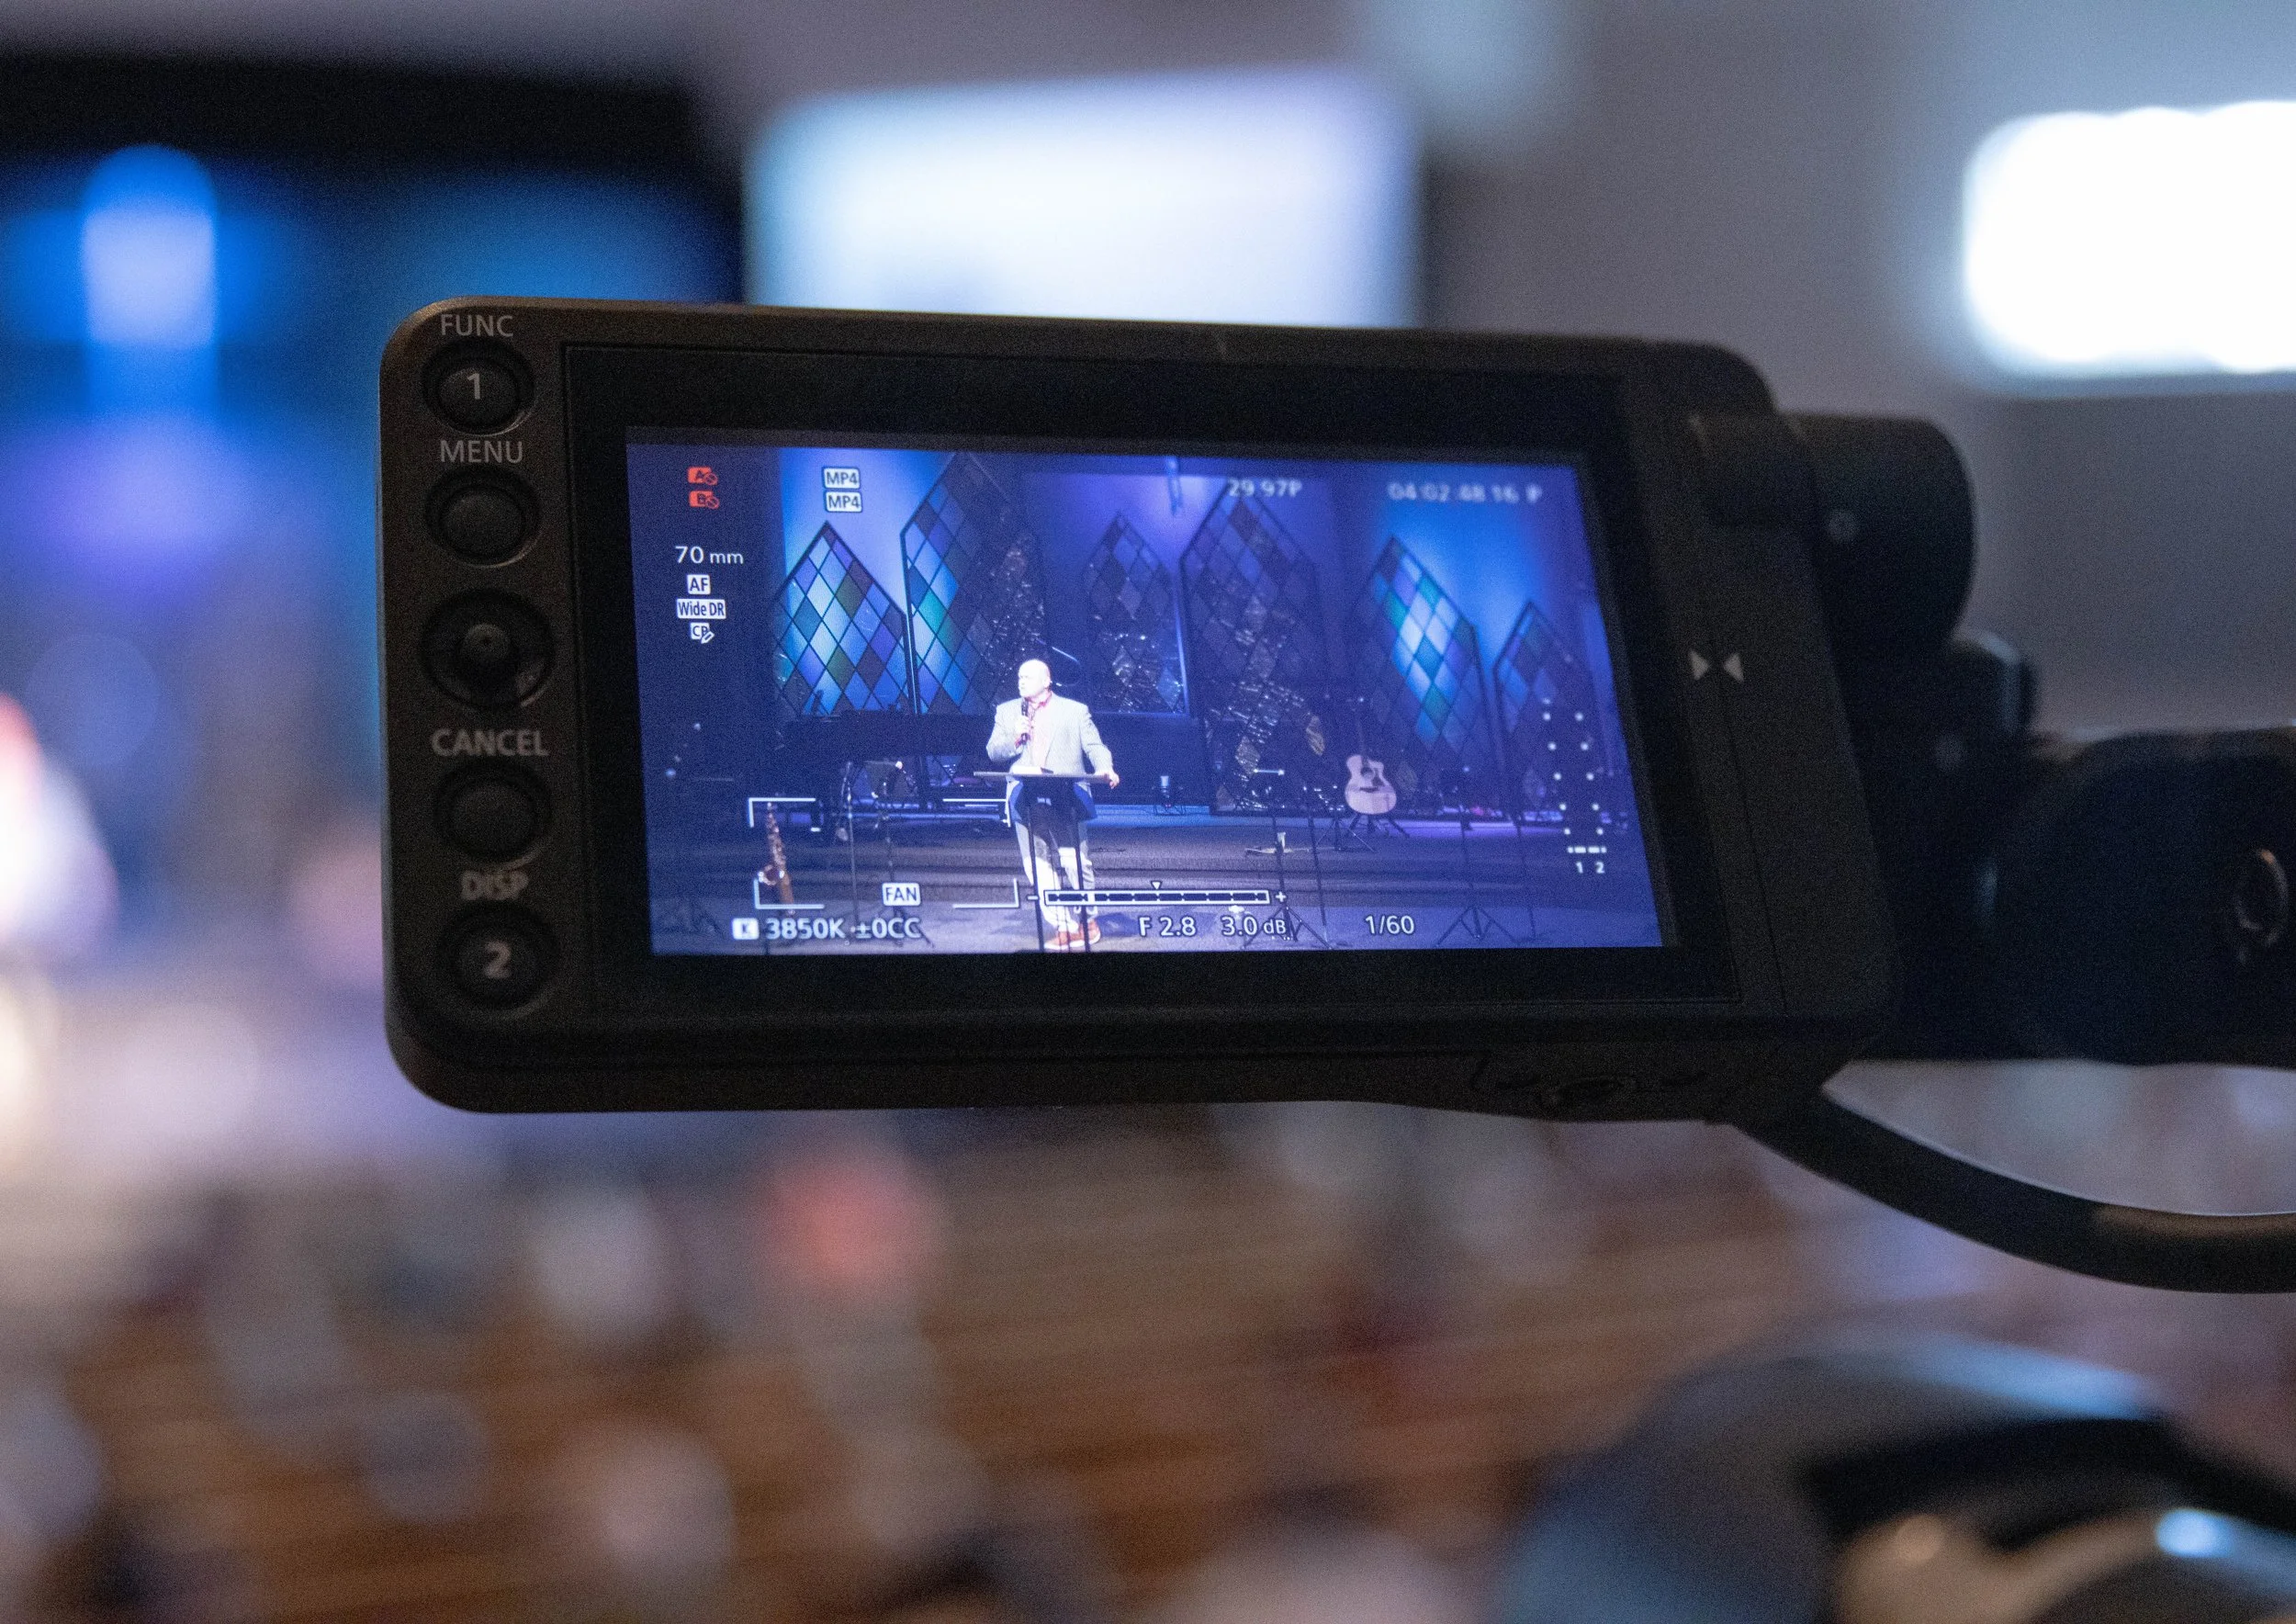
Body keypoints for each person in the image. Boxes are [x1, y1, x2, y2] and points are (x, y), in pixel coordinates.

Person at [986, 660, 1119, 949]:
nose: (1021, 681)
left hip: (1065, 795)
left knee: (1075, 862)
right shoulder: (1007, 712)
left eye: (1029, 676)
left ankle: (1088, 921)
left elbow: (1094, 746)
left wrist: (1104, 767)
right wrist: (1015, 737)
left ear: (1047, 680)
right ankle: (1064, 925)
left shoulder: (1074, 711)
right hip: (1026, 796)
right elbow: (994, 752)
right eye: (1019, 676)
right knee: (1037, 865)